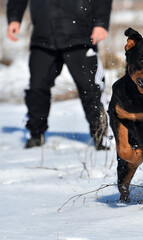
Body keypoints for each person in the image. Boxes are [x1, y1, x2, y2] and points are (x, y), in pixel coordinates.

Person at [7, 0, 113, 150]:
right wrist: (14, 18)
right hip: (43, 36)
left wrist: (101, 23)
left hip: (80, 35)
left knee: (90, 87)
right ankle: (36, 134)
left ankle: (101, 135)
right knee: (37, 87)